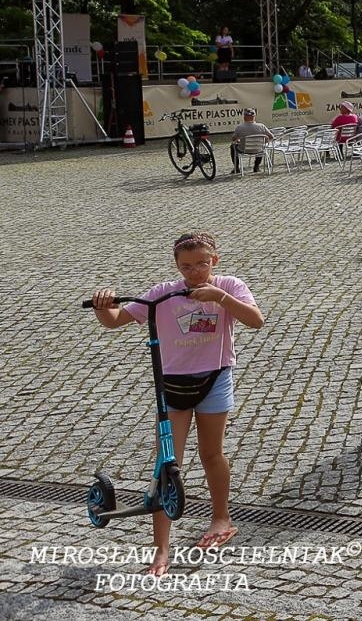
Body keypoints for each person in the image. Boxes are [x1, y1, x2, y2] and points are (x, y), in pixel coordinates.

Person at [89, 232, 264, 576]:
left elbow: (255, 320)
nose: (195, 271)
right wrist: (103, 305)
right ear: (176, 266)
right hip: (171, 386)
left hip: (215, 379)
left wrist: (222, 298)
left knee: (212, 454)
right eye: (186, 266)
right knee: (167, 464)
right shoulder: (163, 293)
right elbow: (115, 320)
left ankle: (220, 519)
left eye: (201, 263)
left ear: (214, 260)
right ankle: (160, 551)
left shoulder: (229, 285)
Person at [229, 107, 274, 174]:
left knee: (232, 146)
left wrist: (238, 140)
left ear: (245, 116)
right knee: (262, 147)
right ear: (254, 116)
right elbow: (272, 136)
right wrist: (265, 142)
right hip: (258, 149)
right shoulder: (261, 126)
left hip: (243, 149)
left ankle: (236, 168)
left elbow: (233, 138)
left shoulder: (240, 127)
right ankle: (256, 167)